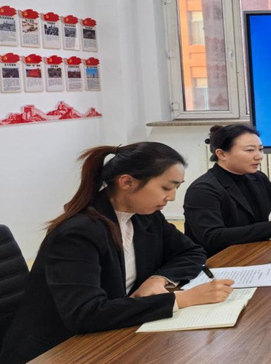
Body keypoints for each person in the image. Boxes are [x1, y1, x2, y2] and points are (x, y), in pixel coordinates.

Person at [0, 143, 234, 363]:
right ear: (127, 182)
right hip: (57, 350)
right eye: (166, 187)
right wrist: (183, 299)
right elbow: (85, 314)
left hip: (112, 332)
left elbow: (191, 251)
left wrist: (159, 279)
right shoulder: (77, 234)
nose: (171, 197)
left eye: (176, 188)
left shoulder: (146, 216)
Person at [184, 124, 271, 256]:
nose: (259, 156)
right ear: (222, 154)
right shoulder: (203, 190)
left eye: (260, 149)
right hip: (222, 259)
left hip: (256, 251)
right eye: (250, 150)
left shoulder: (257, 178)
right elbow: (214, 237)